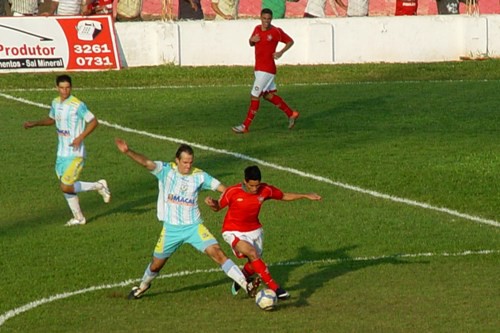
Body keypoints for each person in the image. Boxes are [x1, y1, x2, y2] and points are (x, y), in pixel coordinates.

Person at [114, 138, 259, 300]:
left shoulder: (200, 176)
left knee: (217, 253)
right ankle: (142, 286)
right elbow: (146, 163)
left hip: (194, 228)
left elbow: (224, 189)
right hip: (171, 230)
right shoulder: (166, 170)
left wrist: (229, 200)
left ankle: (247, 285)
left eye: (190, 162)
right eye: (184, 162)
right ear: (177, 160)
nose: (188, 166)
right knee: (156, 265)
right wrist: (128, 151)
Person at [205, 165, 322, 300]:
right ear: (245, 181)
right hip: (233, 231)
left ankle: (241, 279)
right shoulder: (232, 192)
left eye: (257, 185)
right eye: (251, 186)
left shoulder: (265, 190)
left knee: (254, 263)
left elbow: (283, 195)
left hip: (254, 230)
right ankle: (276, 289)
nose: (255, 189)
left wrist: (305, 195)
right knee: (253, 253)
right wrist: (212, 203)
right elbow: (217, 207)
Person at [23, 75, 111, 226]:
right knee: (67, 188)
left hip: (76, 153)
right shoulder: (55, 102)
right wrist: (34, 123)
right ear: (57, 87)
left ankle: (99, 186)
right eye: (62, 88)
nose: (65, 90)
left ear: (71, 87)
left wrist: (81, 137)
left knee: (65, 185)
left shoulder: (78, 105)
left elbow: (94, 121)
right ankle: (79, 218)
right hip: (61, 154)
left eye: (67, 87)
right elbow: (52, 119)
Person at [232, 8, 299, 134]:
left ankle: (245, 125)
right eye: (264, 19)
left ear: (271, 19)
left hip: (267, 69)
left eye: (269, 19)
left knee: (254, 95)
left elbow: (290, 41)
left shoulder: (276, 32)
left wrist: (281, 52)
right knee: (267, 95)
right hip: (258, 69)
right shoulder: (257, 28)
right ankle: (291, 113)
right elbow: (251, 42)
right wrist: (252, 40)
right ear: (260, 18)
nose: (266, 21)